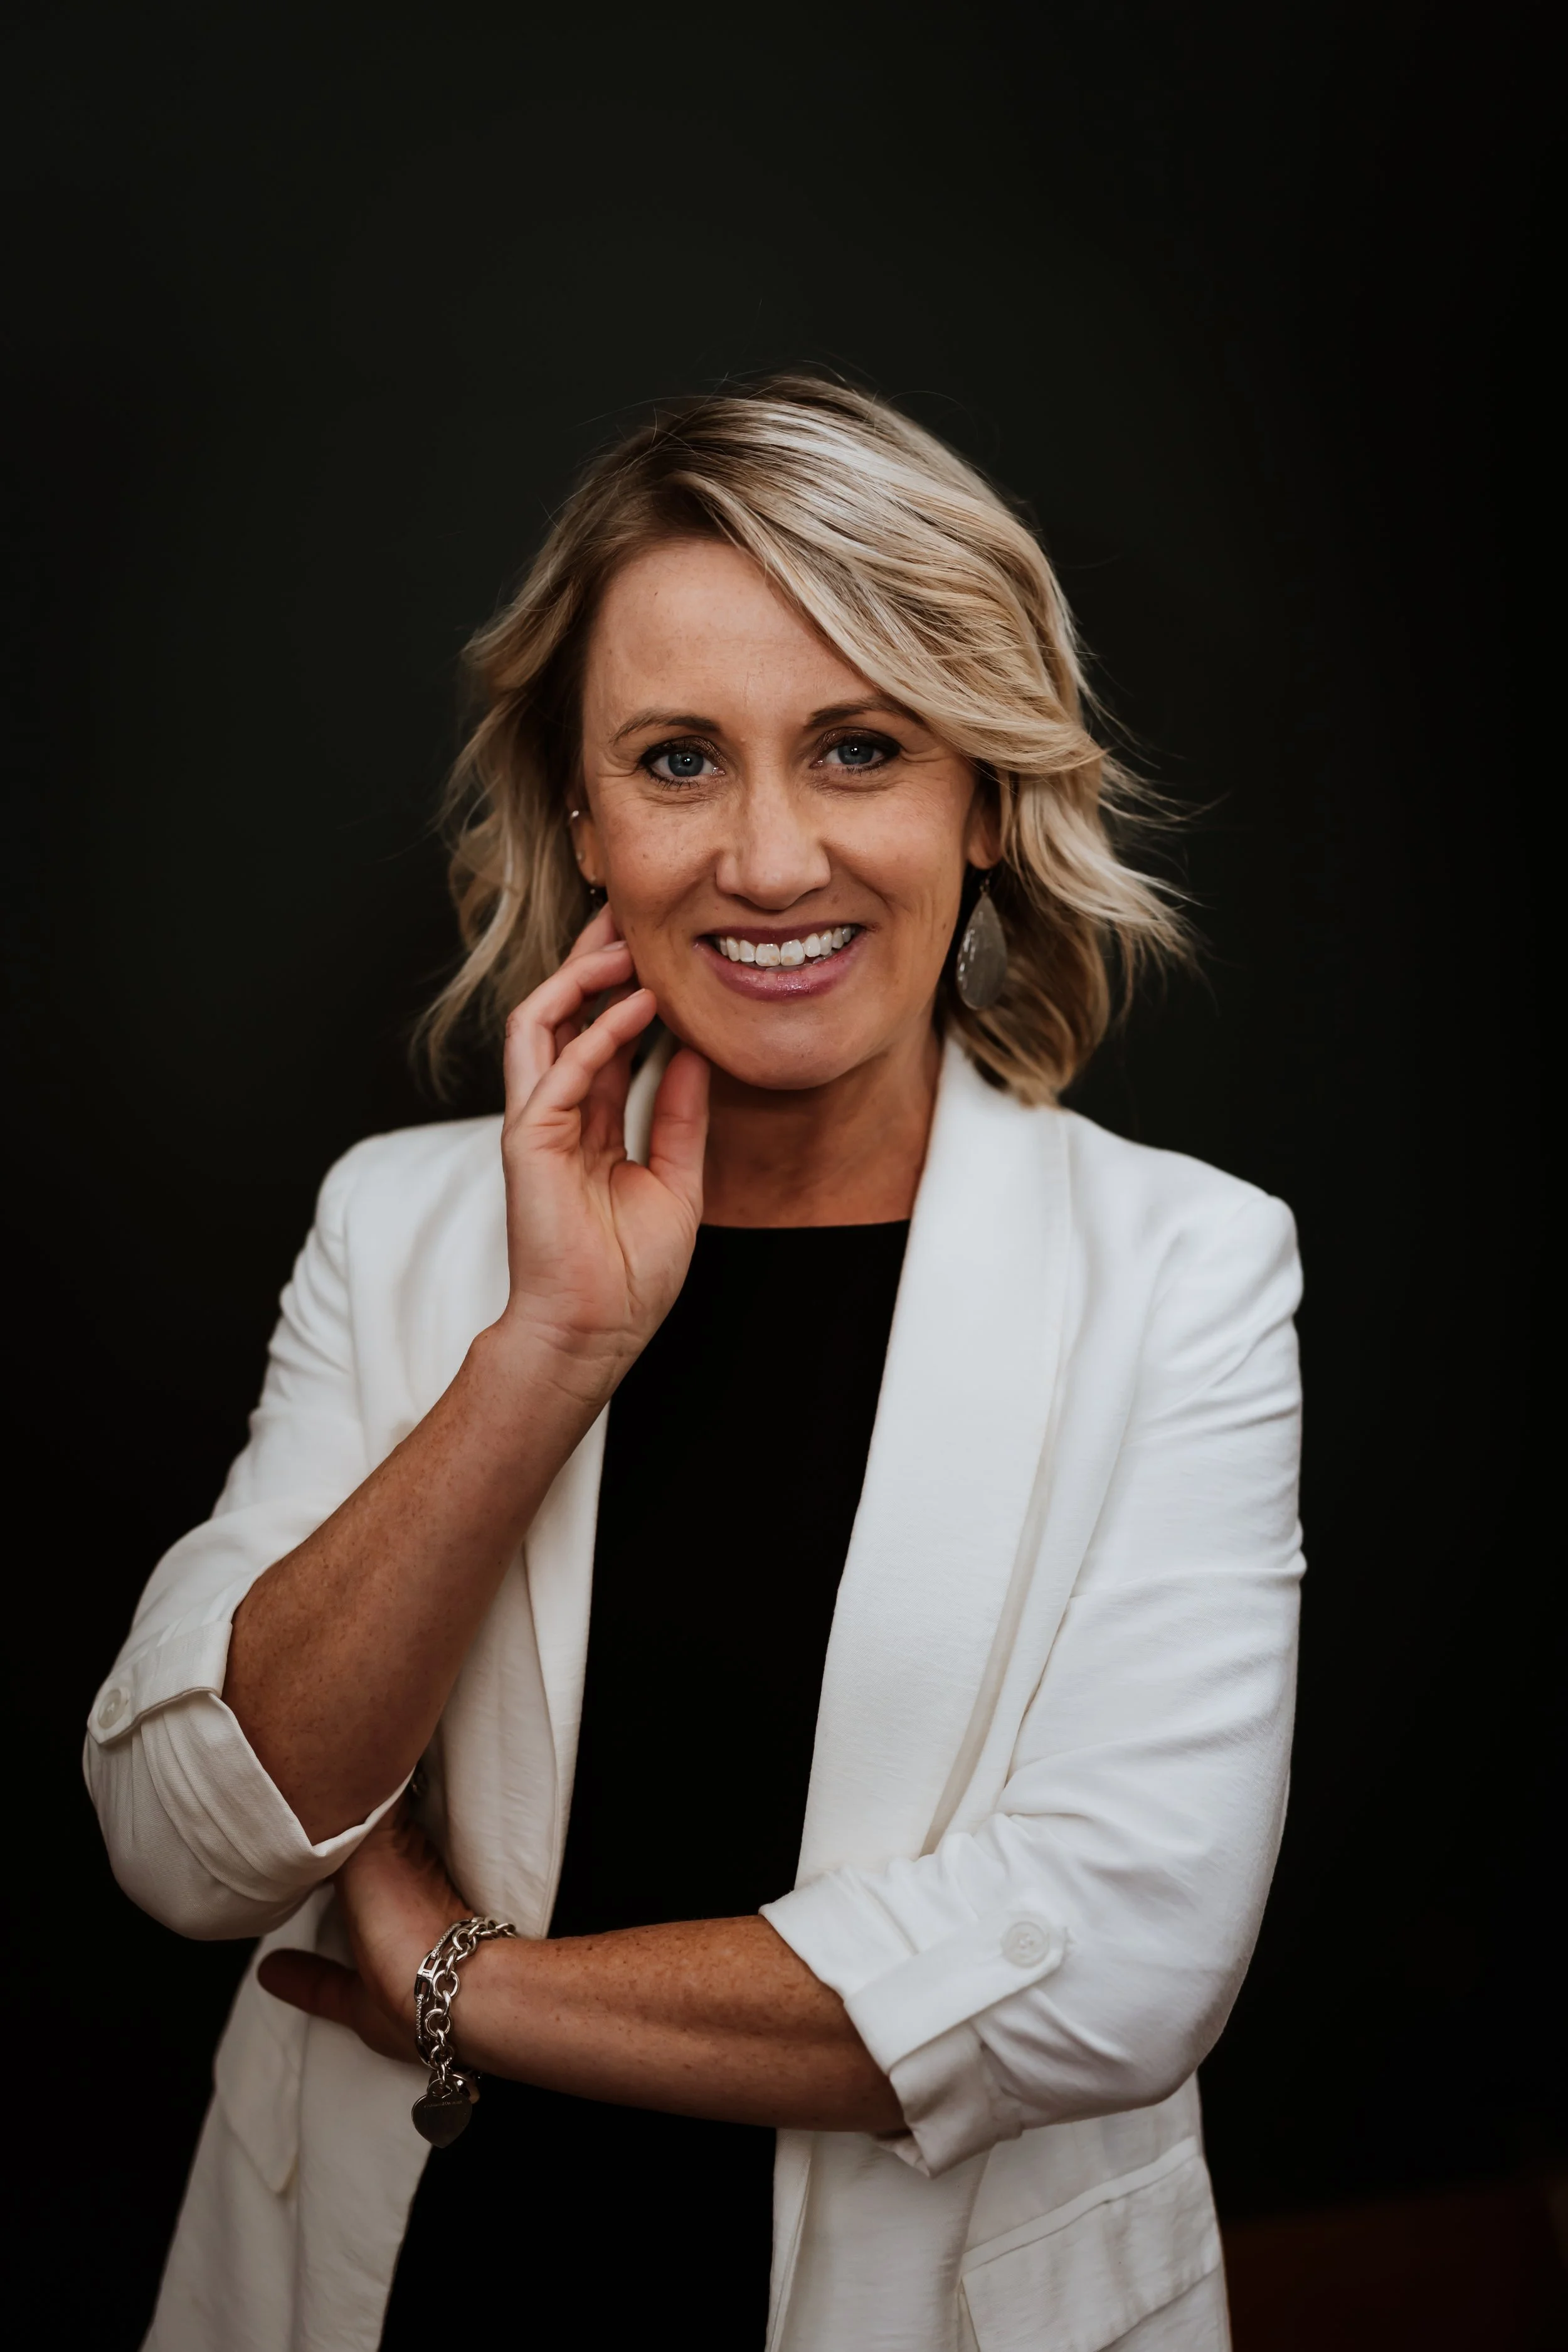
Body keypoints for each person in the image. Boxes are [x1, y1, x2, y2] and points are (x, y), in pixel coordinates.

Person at [87, 376, 1304, 2352]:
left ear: (981, 798)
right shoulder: (400, 1229)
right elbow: (187, 1838)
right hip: (408, 2292)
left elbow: (1117, 1960)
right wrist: (549, 1342)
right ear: (582, 818)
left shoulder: (1182, 1271)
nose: (766, 855)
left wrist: (457, 1983)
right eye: (675, 758)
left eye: (856, 748)